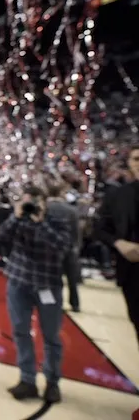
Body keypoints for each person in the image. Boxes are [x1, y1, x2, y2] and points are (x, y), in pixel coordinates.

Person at [0, 186, 72, 404]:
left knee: (51, 336)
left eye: (34, 202)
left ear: (44, 203)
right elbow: (0, 235)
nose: (30, 206)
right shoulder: (19, 218)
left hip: (48, 284)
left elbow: (63, 246)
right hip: (18, 283)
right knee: (20, 331)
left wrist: (41, 223)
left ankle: (52, 382)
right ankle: (27, 379)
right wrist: (16, 216)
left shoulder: (57, 220)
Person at [95, 144, 139, 344]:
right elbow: (101, 228)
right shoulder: (118, 195)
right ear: (129, 163)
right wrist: (119, 243)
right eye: (136, 159)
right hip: (131, 273)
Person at [46, 182, 81, 312]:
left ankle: (53, 303)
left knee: (52, 278)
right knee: (72, 279)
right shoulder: (72, 210)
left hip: (49, 248)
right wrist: (76, 247)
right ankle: (75, 304)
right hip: (69, 248)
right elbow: (76, 232)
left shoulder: (45, 207)